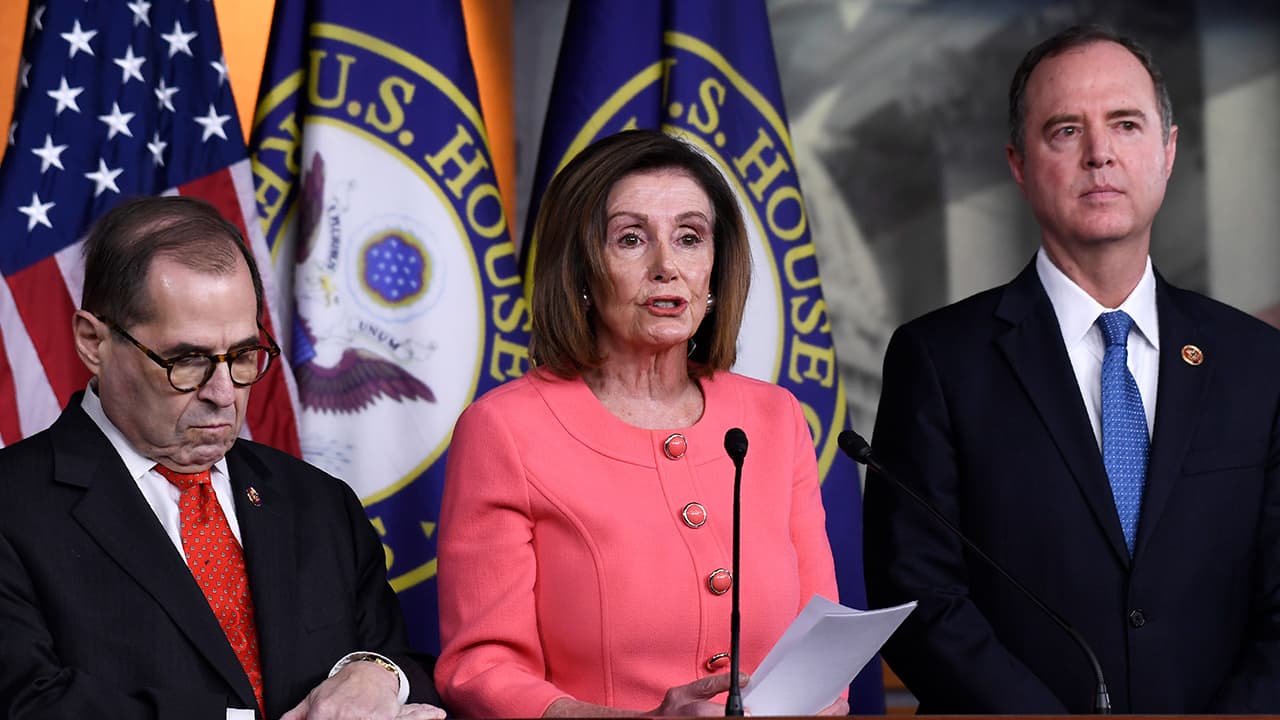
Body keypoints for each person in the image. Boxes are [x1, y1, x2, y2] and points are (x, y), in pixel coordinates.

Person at [863, 24, 1280, 714]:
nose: (1100, 155)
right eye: (1064, 130)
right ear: (1019, 162)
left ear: (1168, 151)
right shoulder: (938, 360)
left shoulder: (1258, 363)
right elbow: (920, 596)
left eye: (1125, 124)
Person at [434, 129, 846, 718]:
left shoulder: (774, 419)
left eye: (689, 237)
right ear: (579, 270)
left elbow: (820, 645)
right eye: (631, 239)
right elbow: (480, 671)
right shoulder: (505, 430)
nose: (666, 266)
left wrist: (825, 701)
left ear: (716, 268)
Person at [0, 196, 445, 720]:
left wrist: (380, 674)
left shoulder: (321, 502)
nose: (223, 393)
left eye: (242, 355)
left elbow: (402, 664)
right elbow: (27, 704)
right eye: (187, 360)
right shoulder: (14, 508)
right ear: (93, 341)